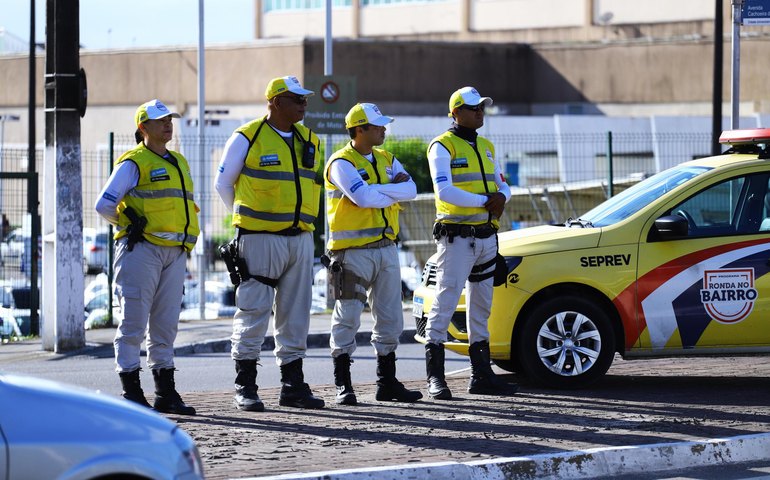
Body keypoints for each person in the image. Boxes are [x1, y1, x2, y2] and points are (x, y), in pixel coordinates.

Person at [214, 76, 325, 411]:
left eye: (305, 100)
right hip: (259, 239)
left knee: (296, 315)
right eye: (297, 100)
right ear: (275, 102)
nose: (304, 105)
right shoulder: (247, 137)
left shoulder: (311, 140)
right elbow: (223, 185)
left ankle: (292, 385)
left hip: (300, 238)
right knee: (253, 311)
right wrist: (246, 220)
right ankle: (245, 386)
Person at [95, 99, 199, 415]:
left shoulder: (179, 161)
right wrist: (127, 222)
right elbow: (104, 205)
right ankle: (132, 392)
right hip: (141, 250)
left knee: (165, 325)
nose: (168, 124)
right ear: (143, 127)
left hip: (175, 252)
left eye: (170, 119)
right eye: (160, 120)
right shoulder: (133, 162)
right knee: (133, 323)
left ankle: (165, 392)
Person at [423, 86, 519, 399]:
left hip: (486, 238)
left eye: (482, 108)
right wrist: (487, 202)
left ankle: (481, 376)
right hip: (456, 239)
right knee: (445, 302)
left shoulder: (487, 146)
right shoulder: (442, 146)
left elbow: (504, 186)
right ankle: (435, 378)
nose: (480, 112)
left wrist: (501, 197)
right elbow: (444, 192)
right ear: (456, 112)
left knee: (481, 307)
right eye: (473, 107)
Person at [324, 103, 423, 405]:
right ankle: (343, 383)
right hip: (351, 254)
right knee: (348, 317)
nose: (383, 129)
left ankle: (387, 383)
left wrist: (377, 190)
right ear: (359, 129)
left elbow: (412, 190)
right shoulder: (340, 162)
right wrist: (388, 189)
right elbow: (362, 197)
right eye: (377, 125)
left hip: (386, 250)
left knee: (391, 318)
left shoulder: (387, 158)